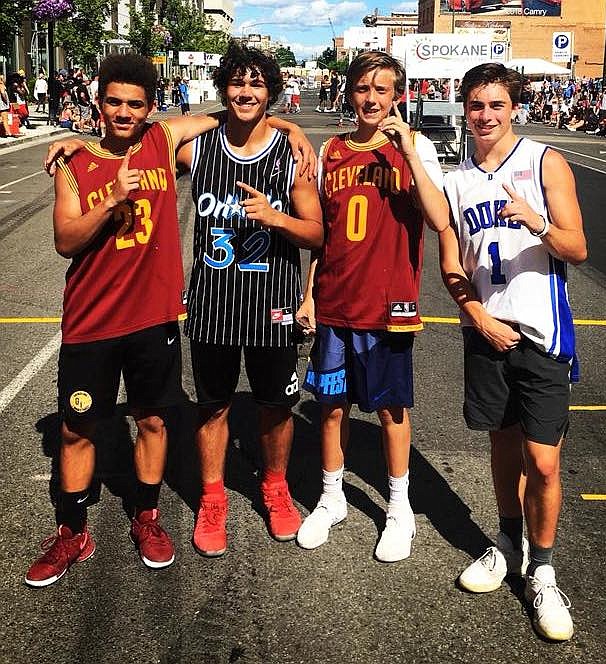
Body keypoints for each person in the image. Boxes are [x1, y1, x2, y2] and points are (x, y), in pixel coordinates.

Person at [26, 52, 314, 587]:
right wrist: (110, 200)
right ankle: (72, 530)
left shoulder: (161, 141)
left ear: (151, 108)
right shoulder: (72, 163)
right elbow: (65, 241)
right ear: (97, 101)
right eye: (113, 101)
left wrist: (289, 123)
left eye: (135, 103)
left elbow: (235, 112)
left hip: (154, 319)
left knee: (154, 421)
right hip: (91, 320)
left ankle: (148, 517)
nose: (123, 112)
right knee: (76, 428)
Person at [439, 62, 587, 641]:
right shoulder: (457, 181)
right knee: (502, 449)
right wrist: (475, 315)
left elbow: (576, 247)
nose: (486, 115)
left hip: (542, 335)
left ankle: (544, 570)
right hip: (487, 335)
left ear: (514, 108)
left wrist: (538, 222)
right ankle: (507, 541)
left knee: (544, 461)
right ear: (465, 110)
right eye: (476, 105)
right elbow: (452, 266)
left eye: (496, 105)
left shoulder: (544, 162)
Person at [294, 51, 449, 563]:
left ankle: (399, 507)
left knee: (389, 409)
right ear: (349, 91)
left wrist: (407, 150)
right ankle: (332, 496)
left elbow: (438, 217)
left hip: (389, 306)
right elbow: (323, 235)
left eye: (382, 90)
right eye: (363, 88)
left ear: (397, 95)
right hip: (336, 301)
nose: (372, 99)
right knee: (330, 407)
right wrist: (309, 292)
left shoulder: (416, 145)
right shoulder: (333, 149)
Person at [176, 41, 323, 558]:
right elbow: (145, 134)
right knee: (212, 407)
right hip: (213, 304)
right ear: (223, 88)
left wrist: (277, 218)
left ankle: (275, 486)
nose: (245, 92)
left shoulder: (292, 158)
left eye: (256, 83)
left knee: (276, 407)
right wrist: (75, 149)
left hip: (274, 305)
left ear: (272, 92)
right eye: (236, 82)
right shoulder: (198, 149)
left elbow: (318, 234)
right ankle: (213, 497)